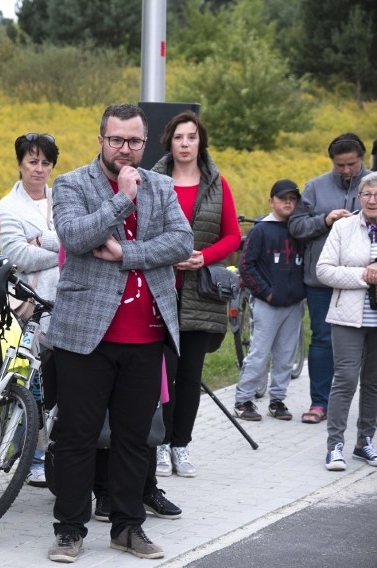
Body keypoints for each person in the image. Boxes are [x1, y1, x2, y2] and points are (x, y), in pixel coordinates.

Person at [46, 103, 193, 563]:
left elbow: (182, 242)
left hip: (146, 336)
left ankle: (128, 528)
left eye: (133, 141)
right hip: (85, 337)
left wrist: (127, 253)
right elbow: (74, 236)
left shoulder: (163, 185)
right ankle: (70, 530)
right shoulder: (72, 183)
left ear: (144, 143)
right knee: (76, 437)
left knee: (135, 439)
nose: (125, 150)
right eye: (116, 140)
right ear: (100, 140)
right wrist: (122, 199)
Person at [150, 111, 241, 478]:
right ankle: (156, 443)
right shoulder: (152, 181)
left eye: (192, 137)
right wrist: (166, 255)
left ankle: (180, 446)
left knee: (188, 377)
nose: (185, 144)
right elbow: (138, 229)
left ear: (200, 142)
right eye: (178, 137)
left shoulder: (217, 184)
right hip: (159, 291)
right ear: (169, 142)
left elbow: (233, 236)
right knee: (158, 378)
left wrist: (204, 257)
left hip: (200, 294)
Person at [289, 133, 372, 424]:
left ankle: (366, 410)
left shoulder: (373, 185)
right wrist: (325, 220)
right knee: (323, 340)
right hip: (323, 281)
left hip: (367, 282)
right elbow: (296, 226)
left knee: (369, 346)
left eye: (352, 163)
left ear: (362, 158)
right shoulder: (315, 187)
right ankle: (319, 403)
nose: (347, 170)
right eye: (340, 165)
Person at [0, 132, 60, 487]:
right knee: (31, 380)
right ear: (20, 164)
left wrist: (44, 242)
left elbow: (81, 238)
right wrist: (65, 251)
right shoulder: (8, 207)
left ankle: (50, 452)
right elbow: (17, 255)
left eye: (45, 162)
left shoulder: (62, 199)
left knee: (59, 384)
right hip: (27, 306)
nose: (39, 169)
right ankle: (30, 456)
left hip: (65, 302)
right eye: (32, 162)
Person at [315, 171, 377, 471]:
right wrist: (363, 276)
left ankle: (365, 442)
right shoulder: (343, 227)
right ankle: (335, 445)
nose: (372, 199)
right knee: (346, 379)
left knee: (374, 382)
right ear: (358, 197)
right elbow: (323, 271)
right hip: (347, 317)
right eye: (366, 194)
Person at [232, 180, 306, 421]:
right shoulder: (261, 230)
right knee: (259, 352)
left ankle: (277, 400)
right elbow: (246, 265)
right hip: (267, 303)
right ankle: (244, 400)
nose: (287, 202)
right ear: (271, 201)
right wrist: (266, 292)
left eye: (292, 198)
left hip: (294, 303)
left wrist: (300, 291)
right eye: (282, 198)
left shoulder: (299, 229)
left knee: (286, 354)